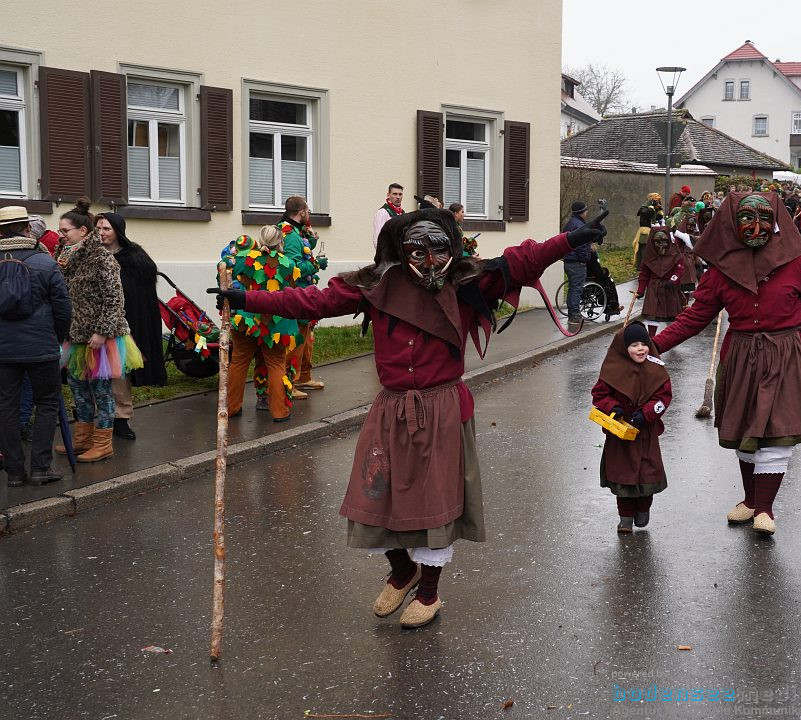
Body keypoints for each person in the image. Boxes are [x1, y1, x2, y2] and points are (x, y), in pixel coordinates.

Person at [208, 207, 607, 628]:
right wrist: (246, 297)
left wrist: (570, 241)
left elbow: (522, 259)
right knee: (372, 497)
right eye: (419, 253)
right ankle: (402, 572)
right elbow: (314, 301)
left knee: (434, 505)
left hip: (442, 409)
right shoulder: (378, 284)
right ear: (403, 252)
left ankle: (430, 592)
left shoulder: (469, 282)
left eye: (438, 251)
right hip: (392, 409)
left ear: (451, 249)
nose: (430, 262)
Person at [650, 192, 801, 536]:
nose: (757, 226)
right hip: (742, 356)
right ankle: (750, 500)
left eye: (764, 218)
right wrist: (654, 345)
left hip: (787, 353)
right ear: (733, 223)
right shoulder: (721, 270)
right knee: (746, 428)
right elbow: (695, 317)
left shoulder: (796, 261)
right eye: (747, 218)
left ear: (776, 220)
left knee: (777, 430)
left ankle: (765, 508)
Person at [55, 199, 143, 463]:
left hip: (99, 337)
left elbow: (114, 298)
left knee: (102, 391)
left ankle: (103, 442)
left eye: (65, 231)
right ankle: (82, 438)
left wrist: (102, 332)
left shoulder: (101, 258)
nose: (61, 235)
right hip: (75, 334)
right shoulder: (66, 257)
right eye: (60, 231)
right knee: (78, 388)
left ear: (83, 231)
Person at [0, 206, 71, 489]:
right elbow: (63, 306)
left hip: (3, 349)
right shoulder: (44, 261)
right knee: (47, 403)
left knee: (6, 406)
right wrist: (56, 336)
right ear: (27, 228)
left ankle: (14, 472)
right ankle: (41, 468)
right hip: (40, 345)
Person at [590, 322, 671, 533]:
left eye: (644, 343)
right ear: (624, 347)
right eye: (634, 344)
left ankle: (643, 509)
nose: (640, 349)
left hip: (646, 433)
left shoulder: (656, 369)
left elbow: (663, 397)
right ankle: (625, 518)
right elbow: (599, 395)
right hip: (620, 434)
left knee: (647, 475)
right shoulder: (612, 369)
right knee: (623, 478)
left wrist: (647, 413)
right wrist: (612, 407)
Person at [95, 213, 166, 441]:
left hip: (122, 325)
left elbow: (138, 295)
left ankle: (121, 419)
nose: (101, 233)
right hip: (93, 324)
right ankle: (93, 420)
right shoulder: (91, 255)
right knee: (92, 372)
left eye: (106, 229)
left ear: (117, 231)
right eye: (98, 228)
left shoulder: (135, 259)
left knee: (119, 374)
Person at [223, 226, 302, 422]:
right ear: (280, 241)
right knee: (276, 364)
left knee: (239, 362)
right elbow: (293, 287)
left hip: (248, 319)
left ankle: (231, 407)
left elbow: (227, 269)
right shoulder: (289, 264)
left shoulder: (247, 260)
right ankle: (280, 412)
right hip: (276, 323)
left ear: (260, 241)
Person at [278, 196, 327, 397]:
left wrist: (311, 240)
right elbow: (292, 267)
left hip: (306, 291)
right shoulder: (289, 235)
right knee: (296, 340)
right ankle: (289, 382)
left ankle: (304, 376)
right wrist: (316, 264)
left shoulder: (298, 230)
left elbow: (304, 250)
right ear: (301, 212)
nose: (310, 213)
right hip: (296, 294)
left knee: (307, 338)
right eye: (308, 210)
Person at [635, 226, 687, 336]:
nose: (661, 245)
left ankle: (672, 337)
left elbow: (679, 269)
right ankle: (651, 339)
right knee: (652, 315)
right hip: (654, 289)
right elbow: (644, 274)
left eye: (664, 241)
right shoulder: (649, 257)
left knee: (673, 316)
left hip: (670, 289)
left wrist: (672, 280)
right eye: (657, 242)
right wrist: (640, 290)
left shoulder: (675, 255)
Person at [562, 201, 590, 324]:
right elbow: (582, 245)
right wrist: (585, 259)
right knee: (576, 289)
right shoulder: (580, 226)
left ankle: (572, 314)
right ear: (582, 212)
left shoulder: (569, 223)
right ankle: (574, 316)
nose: (587, 213)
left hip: (568, 261)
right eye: (586, 211)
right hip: (576, 262)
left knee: (572, 288)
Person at [634, 193, 663, 270]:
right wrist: (651, 208)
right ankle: (643, 266)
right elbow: (644, 212)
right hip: (645, 231)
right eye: (656, 200)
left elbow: (659, 217)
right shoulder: (644, 208)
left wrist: (658, 209)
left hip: (653, 231)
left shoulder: (654, 209)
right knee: (644, 249)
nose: (658, 202)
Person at [372, 183, 405, 250]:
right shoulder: (383, 212)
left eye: (400, 194)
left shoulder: (402, 213)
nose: (398, 197)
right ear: (388, 195)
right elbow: (377, 238)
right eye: (395, 194)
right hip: (388, 256)